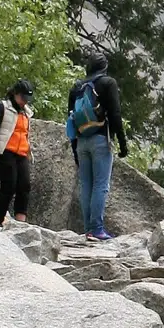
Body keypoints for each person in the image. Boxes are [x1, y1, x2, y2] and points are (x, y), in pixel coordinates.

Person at [66, 53, 128, 241]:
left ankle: (88, 229)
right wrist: (122, 143)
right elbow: (115, 114)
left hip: (81, 141)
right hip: (100, 139)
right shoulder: (108, 83)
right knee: (101, 185)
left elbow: (71, 120)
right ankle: (97, 229)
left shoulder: (77, 88)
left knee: (86, 186)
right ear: (104, 67)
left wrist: (74, 146)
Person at [0, 79, 34, 226]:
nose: (25, 102)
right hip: (5, 151)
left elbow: (25, 133)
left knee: (24, 185)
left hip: (22, 153)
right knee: (9, 185)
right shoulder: (2, 107)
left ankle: (21, 221)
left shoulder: (26, 112)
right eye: (23, 98)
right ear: (15, 94)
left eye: (27, 99)